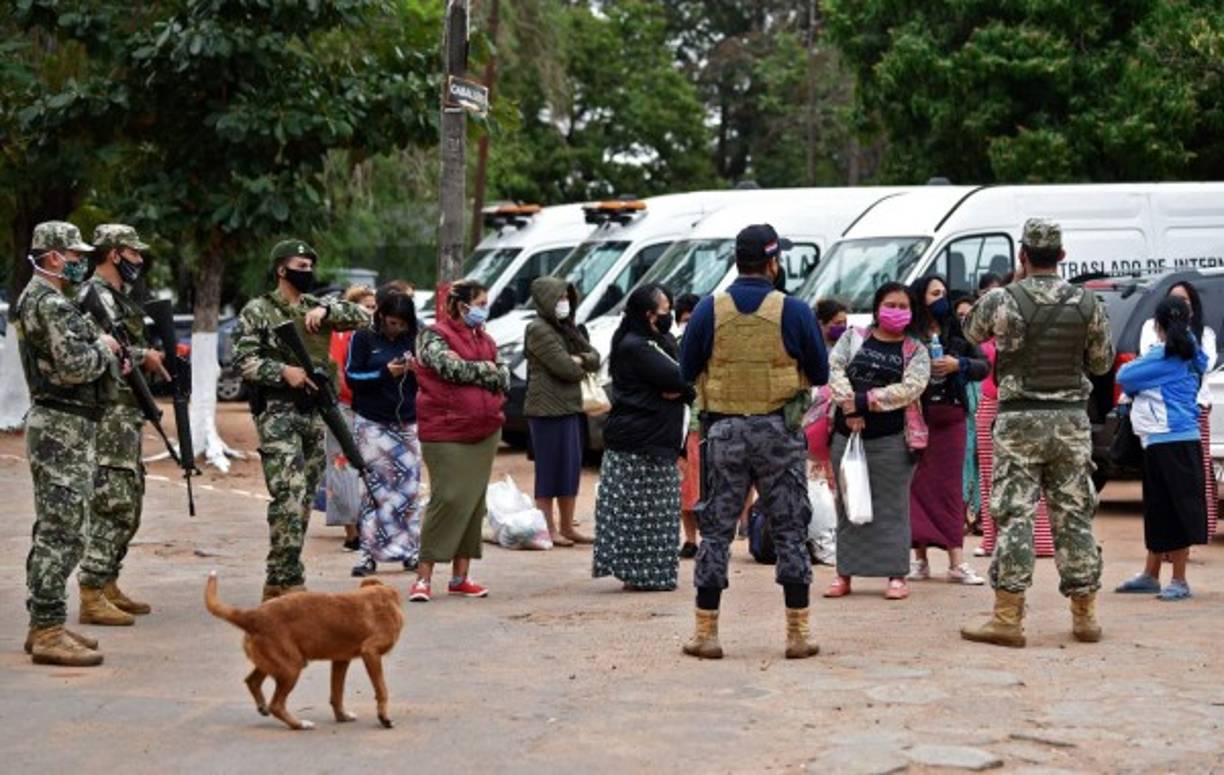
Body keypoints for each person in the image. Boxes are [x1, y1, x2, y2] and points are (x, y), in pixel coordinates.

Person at [961, 218, 1114, 648]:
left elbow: (970, 331)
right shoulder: (1088, 303)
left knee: (1015, 516)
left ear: (1022, 255)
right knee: (1074, 515)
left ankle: (1007, 619)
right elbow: (1101, 364)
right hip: (1070, 423)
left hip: (1019, 423)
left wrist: (1014, 284)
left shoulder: (1002, 299)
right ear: (1062, 257)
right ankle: (1085, 617)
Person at [679, 224, 828, 660]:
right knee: (790, 529)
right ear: (773, 262)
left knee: (716, 531)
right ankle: (797, 635)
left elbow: (687, 369)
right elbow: (819, 372)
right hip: (778, 431)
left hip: (724, 432)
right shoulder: (794, 310)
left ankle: (706, 634)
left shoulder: (709, 309)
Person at [233, 240, 371, 601]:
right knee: (289, 495)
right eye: (300, 266)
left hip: (314, 413)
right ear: (282, 269)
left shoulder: (315, 308)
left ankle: (278, 580)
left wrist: (327, 309)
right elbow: (243, 361)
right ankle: (288, 579)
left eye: (310, 266)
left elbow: (365, 316)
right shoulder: (258, 311)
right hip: (278, 412)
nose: (307, 272)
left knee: (304, 497)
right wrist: (283, 371)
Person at [15, 221, 121, 666]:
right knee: (62, 533)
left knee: (59, 528)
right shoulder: (50, 303)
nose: (80, 263)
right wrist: (105, 348)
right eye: (75, 256)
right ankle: (47, 630)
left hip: (65, 424)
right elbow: (75, 366)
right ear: (55, 256)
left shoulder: (44, 299)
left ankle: (46, 622)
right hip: (61, 426)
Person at [77, 224, 166, 628]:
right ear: (113, 253)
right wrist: (145, 355)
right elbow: (101, 347)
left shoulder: (118, 297)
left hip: (125, 410)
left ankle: (107, 581)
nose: (139, 259)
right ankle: (91, 591)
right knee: (113, 500)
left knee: (131, 498)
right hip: (108, 411)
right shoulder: (93, 295)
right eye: (133, 252)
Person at [826, 282, 931, 601]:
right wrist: (849, 407)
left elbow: (911, 388)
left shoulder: (916, 350)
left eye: (903, 306)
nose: (896, 311)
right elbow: (835, 369)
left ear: (912, 312)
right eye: (890, 305)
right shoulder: (853, 337)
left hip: (892, 440)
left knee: (892, 507)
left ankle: (896, 575)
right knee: (847, 503)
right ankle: (844, 574)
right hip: (845, 436)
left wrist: (865, 401)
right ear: (877, 307)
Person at [409, 280, 508, 603]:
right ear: (463, 306)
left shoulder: (486, 339)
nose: (484, 309)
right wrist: (488, 370)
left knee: (473, 503)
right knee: (447, 499)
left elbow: (505, 376)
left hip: (485, 431)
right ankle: (423, 578)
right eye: (480, 303)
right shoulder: (433, 335)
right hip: (446, 430)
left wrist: (481, 370)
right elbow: (447, 367)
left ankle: (460, 577)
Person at [593, 284, 695, 591]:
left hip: (655, 439)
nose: (669, 316)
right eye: (664, 311)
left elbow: (683, 376)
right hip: (639, 442)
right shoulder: (636, 346)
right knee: (639, 514)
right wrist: (682, 389)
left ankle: (649, 575)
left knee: (657, 513)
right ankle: (638, 576)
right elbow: (683, 378)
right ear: (648, 315)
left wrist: (681, 390)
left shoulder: (657, 342)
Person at [1115, 297, 1208, 600]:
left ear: (1157, 324)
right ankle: (1151, 574)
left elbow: (1124, 376)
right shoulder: (1188, 351)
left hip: (1171, 440)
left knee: (1174, 510)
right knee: (1159, 508)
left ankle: (1179, 579)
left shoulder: (1165, 355)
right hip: (1164, 440)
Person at [906, 275, 988, 585]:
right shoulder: (910, 335)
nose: (940, 299)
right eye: (934, 293)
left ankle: (957, 562)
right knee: (917, 489)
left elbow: (983, 366)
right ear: (920, 298)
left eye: (943, 292)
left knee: (951, 490)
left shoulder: (959, 331)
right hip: (917, 419)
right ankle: (920, 560)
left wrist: (958, 365)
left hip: (952, 418)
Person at [346, 289, 423, 577]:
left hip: (407, 423)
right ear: (380, 315)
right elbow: (352, 376)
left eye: (402, 324)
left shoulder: (415, 337)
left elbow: (431, 375)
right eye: (392, 323)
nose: (396, 329)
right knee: (373, 489)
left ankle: (410, 551)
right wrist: (384, 373)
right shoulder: (363, 337)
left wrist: (417, 370)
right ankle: (368, 554)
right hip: (372, 423)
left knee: (409, 490)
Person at [523, 275, 600, 546]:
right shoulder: (538, 329)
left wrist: (578, 359)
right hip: (546, 410)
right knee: (549, 471)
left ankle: (567, 526)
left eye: (567, 298)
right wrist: (578, 363)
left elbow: (595, 357)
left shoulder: (567, 327)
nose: (564, 302)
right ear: (547, 300)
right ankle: (548, 528)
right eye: (560, 298)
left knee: (569, 469)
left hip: (569, 406)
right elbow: (566, 369)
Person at [1138, 281, 1218, 540]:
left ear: (1192, 307)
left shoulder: (1204, 334)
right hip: (1159, 415)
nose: (1178, 305)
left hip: (1195, 410)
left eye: (1184, 300)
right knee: (1163, 483)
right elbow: (1147, 359)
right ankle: (1170, 544)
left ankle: (1196, 534)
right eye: (1174, 299)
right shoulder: (1150, 328)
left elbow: (1203, 365)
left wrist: (1181, 340)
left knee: (1196, 477)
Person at [327, 284, 377, 551]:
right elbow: (338, 372)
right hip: (343, 408)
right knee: (342, 467)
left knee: (369, 467)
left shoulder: (376, 334)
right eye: (366, 307)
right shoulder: (341, 334)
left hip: (370, 410)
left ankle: (368, 528)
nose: (371, 311)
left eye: (374, 307)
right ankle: (352, 532)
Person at [674, 292, 703, 559]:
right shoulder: (673, 347)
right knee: (685, 488)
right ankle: (690, 539)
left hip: (706, 425)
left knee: (709, 487)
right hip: (682, 428)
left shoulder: (713, 345)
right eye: (685, 320)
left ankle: (712, 541)